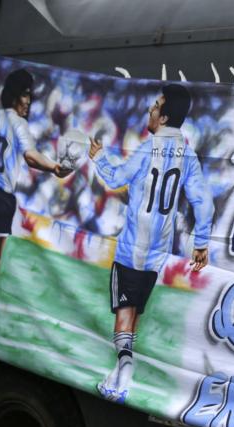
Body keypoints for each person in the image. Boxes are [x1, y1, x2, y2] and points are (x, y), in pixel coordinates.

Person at [89, 84, 212, 404]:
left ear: (165, 116)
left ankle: (123, 374)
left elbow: (115, 179)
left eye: (155, 107)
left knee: (123, 313)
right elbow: (203, 202)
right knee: (136, 313)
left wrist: (99, 157)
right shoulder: (187, 153)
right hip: (158, 253)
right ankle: (117, 375)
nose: (150, 111)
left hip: (132, 247)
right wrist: (201, 242)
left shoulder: (147, 148)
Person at [0, 69, 71, 342]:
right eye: (26, 94)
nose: (28, 100)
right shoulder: (19, 124)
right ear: (15, 95)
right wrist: (54, 167)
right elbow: (30, 157)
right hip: (4, 198)